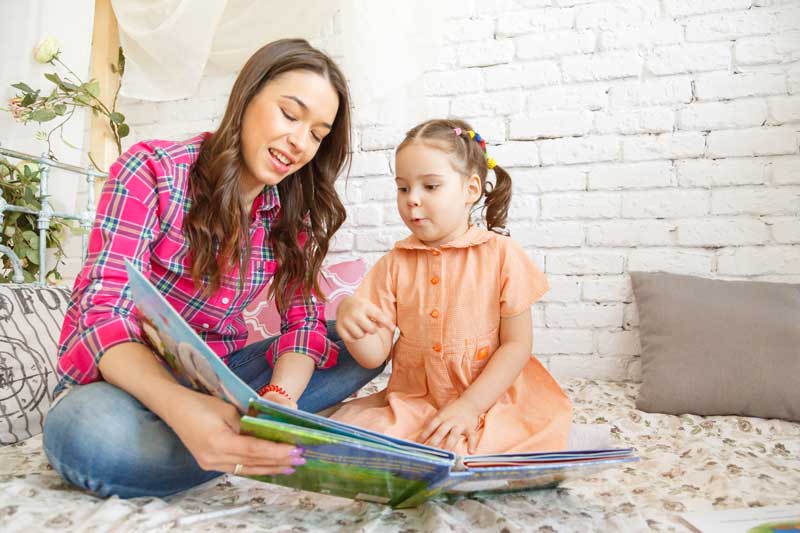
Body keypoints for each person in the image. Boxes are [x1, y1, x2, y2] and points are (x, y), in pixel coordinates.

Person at [42, 39, 384, 498]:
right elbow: (103, 313)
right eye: (289, 114)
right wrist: (184, 409)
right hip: (130, 386)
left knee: (358, 339)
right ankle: (243, 449)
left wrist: (279, 403)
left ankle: (248, 439)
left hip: (222, 382)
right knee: (82, 432)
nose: (300, 143)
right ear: (247, 98)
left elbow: (302, 322)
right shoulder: (151, 170)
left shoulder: (290, 213)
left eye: (318, 134)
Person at [331, 118, 572, 455]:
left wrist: (470, 406)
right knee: (361, 440)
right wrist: (350, 319)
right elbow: (373, 357)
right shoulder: (394, 264)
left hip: (489, 395)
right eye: (403, 187)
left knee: (482, 448)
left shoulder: (501, 255)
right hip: (419, 398)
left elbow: (517, 345)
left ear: (471, 189)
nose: (412, 199)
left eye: (430, 187)